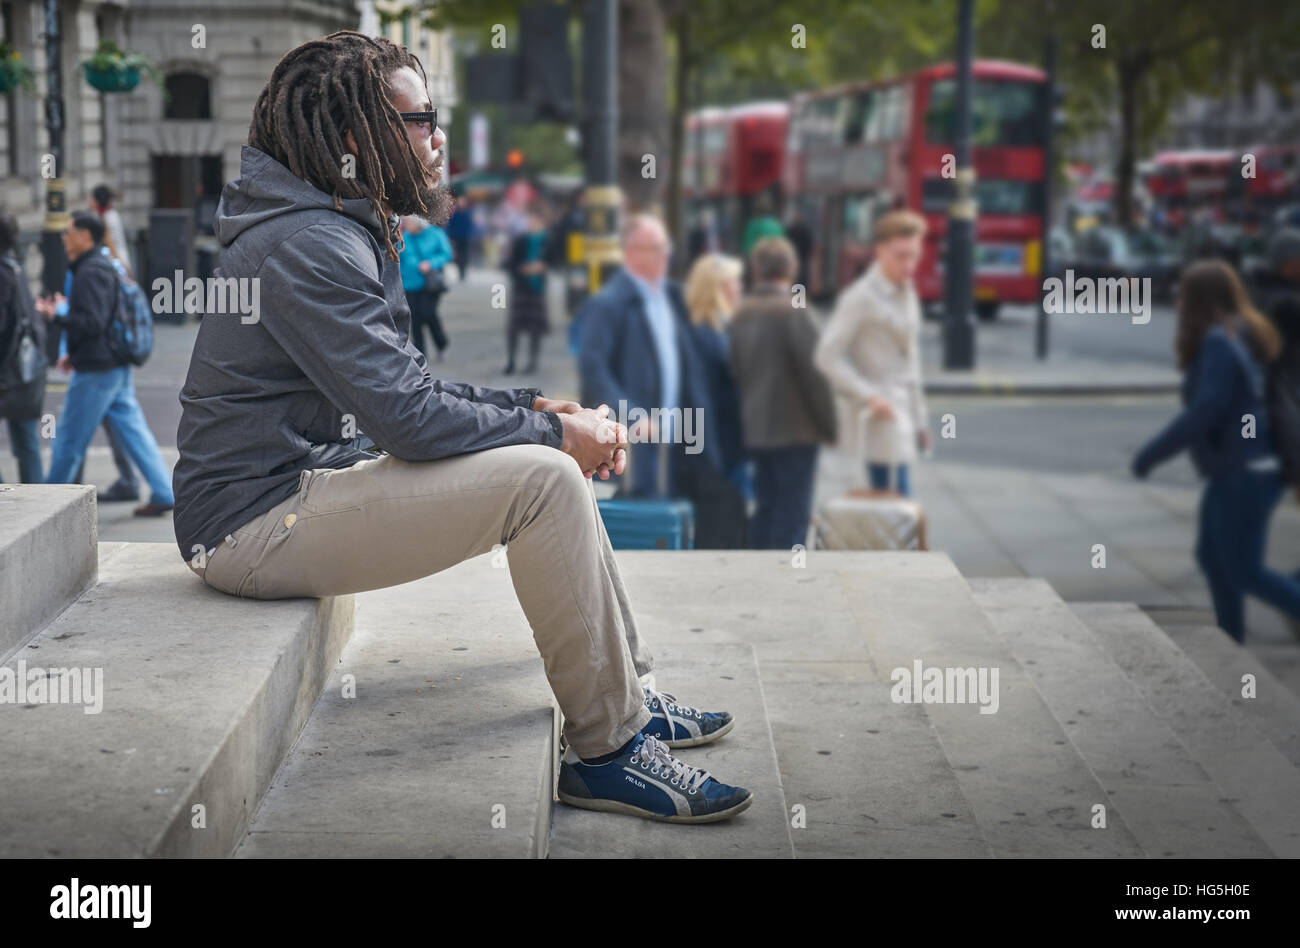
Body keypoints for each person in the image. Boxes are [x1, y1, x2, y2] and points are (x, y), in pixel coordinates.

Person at [170, 31, 751, 824]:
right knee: (543, 479)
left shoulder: (332, 221)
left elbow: (402, 388)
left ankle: (633, 698)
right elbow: (408, 418)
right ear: (354, 136)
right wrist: (553, 441)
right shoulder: (310, 241)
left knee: (545, 451)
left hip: (307, 481)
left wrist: (539, 411)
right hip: (249, 525)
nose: (438, 138)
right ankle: (608, 753)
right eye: (422, 120)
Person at [1133, 259, 1300, 644]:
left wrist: (1152, 454)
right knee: (1212, 559)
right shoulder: (1239, 330)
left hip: (1246, 472)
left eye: (1183, 294)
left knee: (1244, 570)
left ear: (1199, 299)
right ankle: (1231, 640)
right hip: (1243, 469)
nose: (1177, 300)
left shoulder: (1218, 342)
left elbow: (1206, 408)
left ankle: (1233, 637)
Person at [577, 213, 729, 511]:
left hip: (684, 441)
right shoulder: (608, 303)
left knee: (681, 524)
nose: (665, 256)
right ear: (631, 252)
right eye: (655, 248)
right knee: (643, 525)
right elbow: (594, 370)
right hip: (637, 446)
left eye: (665, 248)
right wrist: (633, 417)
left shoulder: (674, 297)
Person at [35, 211, 174, 515]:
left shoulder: (89, 271)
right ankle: (164, 491)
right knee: (135, 432)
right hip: (112, 365)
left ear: (85, 235)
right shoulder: (102, 265)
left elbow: (92, 322)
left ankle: (43, 506)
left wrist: (57, 313)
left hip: (97, 371)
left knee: (69, 441)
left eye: (69, 231)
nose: (63, 237)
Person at [728, 237, 838, 549]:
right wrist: (829, 427)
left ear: (756, 270)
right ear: (792, 268)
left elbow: (736, 371)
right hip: (796, 433)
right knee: (793, 514)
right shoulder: (795, 312)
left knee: (766, 509)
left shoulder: (740, 315)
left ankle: (761, 575)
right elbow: (816, 377)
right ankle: (785, 582)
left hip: (756, 431)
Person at [814, 209, 932, 496]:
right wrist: (869, 395)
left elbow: (911, 363)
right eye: (900, 255)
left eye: (914, 255)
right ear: (879, 251)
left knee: (900, 523)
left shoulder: (908, 292)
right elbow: (826, 356)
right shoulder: (860, 297)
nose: (908, 264)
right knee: (889, 524)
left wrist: (921, 422)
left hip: (902, 423)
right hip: (875, 431)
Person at [682, 252, 749, 548]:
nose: (740, 288)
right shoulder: (705, 334)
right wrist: (710, 459)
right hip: (719, 452)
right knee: (722, 531)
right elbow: (700, 398)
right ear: (718, 288)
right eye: (735, 282)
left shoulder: (719, 328)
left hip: (727, 448)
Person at [0, 211, 46, 484]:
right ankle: (37, 498)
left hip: (9, 371)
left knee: (26, 440)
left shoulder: (3, 273)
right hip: (24, 370)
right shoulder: (14, 267)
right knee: (26, 440)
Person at [503, 204, 551, 374]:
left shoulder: (547, 241)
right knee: (514, 328)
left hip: (537, 288)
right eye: (531, 220)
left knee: (535, 328)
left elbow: (556, 261)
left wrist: (543, 267)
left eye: (536, 221)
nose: (532, 224)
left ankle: (532, 362)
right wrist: (521, 269)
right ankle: (511, 361)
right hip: (521, 288)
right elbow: (508, 263)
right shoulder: (520, 240)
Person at [398, 214, 451, 361]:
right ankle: (420, 353)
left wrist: (431, 263)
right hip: (409, 284)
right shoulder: (404, 236)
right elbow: (397, 258)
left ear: (419, 222)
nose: (405, 223)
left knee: (428, 313)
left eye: (408, 221)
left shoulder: (435, 234)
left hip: (430, 284)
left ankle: (441, 343)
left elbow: (447, 254)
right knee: (414, 318)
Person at [90, 184, 132, 278]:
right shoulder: (111, 214)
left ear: (97, 201)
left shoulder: (107, 217)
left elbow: (109, 242)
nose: (89, 202)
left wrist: (122, 266)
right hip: (118, 260)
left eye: (91, 199)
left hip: (116, 262)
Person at [445, 193, 475, 281]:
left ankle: (463, 271)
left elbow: (470, 225)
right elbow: (450, 225)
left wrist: (470, 234)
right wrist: (450, 235)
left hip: (465, 237)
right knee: (457, 255)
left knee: (464, 255)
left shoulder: (467, 213)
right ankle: (459, 270)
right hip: (456, 237)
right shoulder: (455, 214)